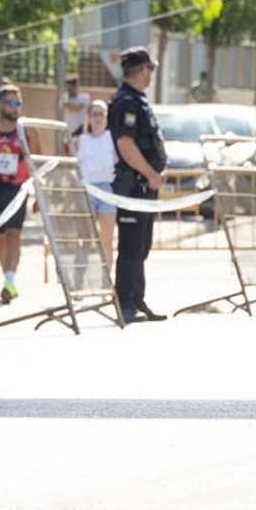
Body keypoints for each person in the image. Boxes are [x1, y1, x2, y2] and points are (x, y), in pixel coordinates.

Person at [109, 47, 168, 324]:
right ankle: (125, 303)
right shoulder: (125, 102)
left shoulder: (137, 100)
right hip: (133, 186)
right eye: (150, 70)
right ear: (142, 69)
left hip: (144, 187)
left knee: (141, 246)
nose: (151, 76)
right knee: (131, 247)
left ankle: (136, 298)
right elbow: (125, 144)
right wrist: (149, 172)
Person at [0, 80, 30, 305]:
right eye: (11, 101)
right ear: (1, 104)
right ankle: (9, 281)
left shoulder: (26, 129)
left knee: (13, 235)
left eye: (18, 101)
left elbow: (34, 162)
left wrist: (36, 193)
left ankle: (9, 282)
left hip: (18, 189)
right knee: (0, 239)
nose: (15, 105)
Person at [76, 98, 118, 266]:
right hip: (88, 189)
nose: (98, 118)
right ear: (89, 117)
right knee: (85, 237)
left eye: (101, 114)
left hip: (106, 189)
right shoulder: (82, 139)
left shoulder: (112, 138)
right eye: (94, 114)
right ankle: (81, 275)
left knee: (106, 239)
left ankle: (106, 276)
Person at [63, 77, 91, 154]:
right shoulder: (64, 97)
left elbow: (75, 108)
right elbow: (69, 106)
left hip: (79, 132)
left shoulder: (84, 97)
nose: (69, 91)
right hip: (68, 132)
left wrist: (68, 102)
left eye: (71, 88)